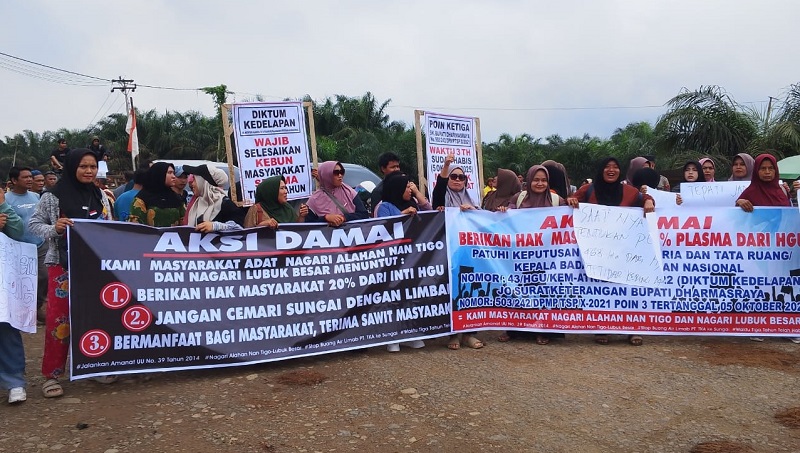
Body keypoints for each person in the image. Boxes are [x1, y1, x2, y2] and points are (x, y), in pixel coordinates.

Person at [29, 149, 116, 398]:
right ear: (71, 168)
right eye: (83, 166)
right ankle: (51, 375)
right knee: (60, 321)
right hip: (63, 268)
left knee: (95, 316)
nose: (89, 171)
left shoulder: (100, 194)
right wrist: (54, 228)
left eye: (92, 166)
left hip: (93, 266)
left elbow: (108, 225)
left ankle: (94, 366)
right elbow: (34, 225)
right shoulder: (52, 197)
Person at [567, 157, 655, 346]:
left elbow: (645, 198)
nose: (611, 170)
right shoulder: (589, 189)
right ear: (600, 170)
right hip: (598, 250)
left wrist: (648, 202)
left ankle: (632, 329)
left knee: (627, 289)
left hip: (625, 249)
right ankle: (603, 328)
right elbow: (573, 200)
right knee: (602, 289)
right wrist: (572, 200)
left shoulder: (629, 192)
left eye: (615, 167)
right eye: (607, 167)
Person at [500, 165, 567, 345]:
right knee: (519, 292)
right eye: (536, 180)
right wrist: (503, 212)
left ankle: (543, 330)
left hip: (547, 258)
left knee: (542, 293)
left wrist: (573, 204)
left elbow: (568, 220)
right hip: (522, 256)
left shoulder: (556, 200)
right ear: (529, 181)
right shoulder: (519, 198)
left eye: (543, 180)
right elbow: (507, 217)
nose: (540, 183)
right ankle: (515, 330)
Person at [432, 154, 483, 350]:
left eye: (461, 177)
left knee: (470, 290)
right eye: (454, 176)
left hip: (469, 254)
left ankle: (469, 334)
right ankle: (452, 334)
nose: (457, 180)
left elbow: (484, 224)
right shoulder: (441, 197)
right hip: (446, 252)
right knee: (451, 292)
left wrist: (472, 213)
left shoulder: (473, 201)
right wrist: (446, 165)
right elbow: (440, 185)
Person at [373, 171, 426, 352]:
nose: (409, 190)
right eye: (405, 187)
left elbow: (429, 215)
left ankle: (408, 334)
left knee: (408, 297)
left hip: (410, 258)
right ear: (396, 189)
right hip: (391, 259)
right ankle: (392, 336)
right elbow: (382, 228)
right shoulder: (384, 206)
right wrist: (403, 214)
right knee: (392, 297)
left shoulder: (412, 203)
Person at [5, 167, 47, 322]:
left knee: (44, 276)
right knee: (21, 281)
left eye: (30, 177)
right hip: (18, 247)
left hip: (40, 244)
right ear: (14, 181)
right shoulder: (6, 199)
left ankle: (36, 308)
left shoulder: (36, 196)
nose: (30, 180)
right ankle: (20, 311)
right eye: (25, 177)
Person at [0, 188, 25, 404]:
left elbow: (18, 231)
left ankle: (14, 382)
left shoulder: (4, 207)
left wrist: (2, 204)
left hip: (3, 275)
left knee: (6, 326)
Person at [182, 164, 245, 231]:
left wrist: (215, 226)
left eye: (194, 179)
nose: (192, 184)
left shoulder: (225, 203)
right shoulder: (196, 203)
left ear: (203, 182)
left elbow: (239, 228)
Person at [305, 161, 369, 226]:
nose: (340, 175)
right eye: (336, 173)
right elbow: (309, 226)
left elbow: (363, 215)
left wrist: (344, 218)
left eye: (341, 172)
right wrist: (325, 218)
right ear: (326, 175)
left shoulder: (350, 193)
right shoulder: (314, 199)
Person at [128, 162, 185, 227]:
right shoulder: (141, 199)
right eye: (169, 173)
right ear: (159, 174)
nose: (173, 176)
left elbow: (184, 224)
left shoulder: (177, 198)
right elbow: (136, 228)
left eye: (173, 173)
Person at [244, 175, 309, 228]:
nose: (286, 191)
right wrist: (263, 225)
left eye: (285, 188)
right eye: (282, 188)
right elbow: (247, 235)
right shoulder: (256, 209)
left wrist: (301, 216)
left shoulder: (287, 207)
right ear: (272, 191)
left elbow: (297, 229)